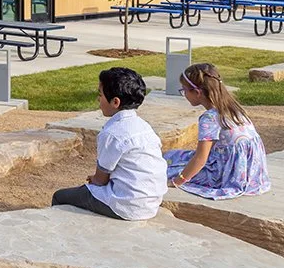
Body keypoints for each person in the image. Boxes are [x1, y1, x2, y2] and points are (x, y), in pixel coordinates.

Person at [52, 67, 167, 220]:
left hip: (126, 205)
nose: (98, 99)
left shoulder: (112, 133)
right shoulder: (144, 127)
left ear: (115, 102)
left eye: (100, 95)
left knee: (60, 196)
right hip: (151, 203)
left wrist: (93, 179)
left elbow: (100, 180)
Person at [165, 63, 270, 199]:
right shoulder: (234, 108)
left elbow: (200, 158)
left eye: (184, 90)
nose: (183, 94)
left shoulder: (209, 118)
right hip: (253, 171)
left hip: (228, 174)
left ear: (197, 93)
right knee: (174, 156)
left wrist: (178, 181)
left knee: (168, 169)